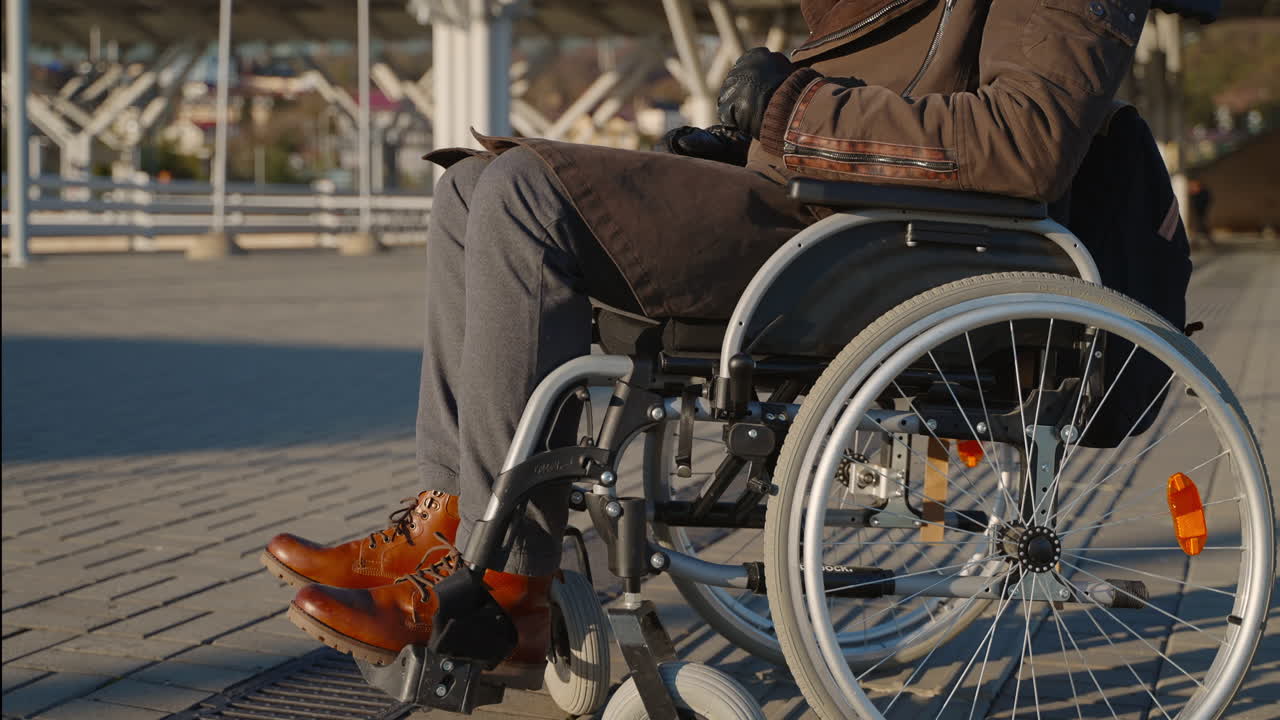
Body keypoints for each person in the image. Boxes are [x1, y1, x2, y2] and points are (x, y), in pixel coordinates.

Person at [261, 0, 1149, 677]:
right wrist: (748, 137)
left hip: (898, 243)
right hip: (833, 206)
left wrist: (793, 108)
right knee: (473, 187)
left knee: (525, 195)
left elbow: (1024, 145)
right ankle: (453, 519)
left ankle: (506, 594)